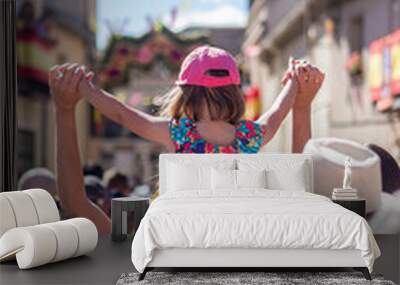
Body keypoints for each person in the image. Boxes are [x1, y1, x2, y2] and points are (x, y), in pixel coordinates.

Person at [49, 45, 324, 233]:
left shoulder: (179, 133)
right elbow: (276, 114)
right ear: (234, 94)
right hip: (237, 229)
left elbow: (122, 114)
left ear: (186, 94)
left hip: (180, 230)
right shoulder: (248, 136)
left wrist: (85, 87)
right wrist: (293, 81)